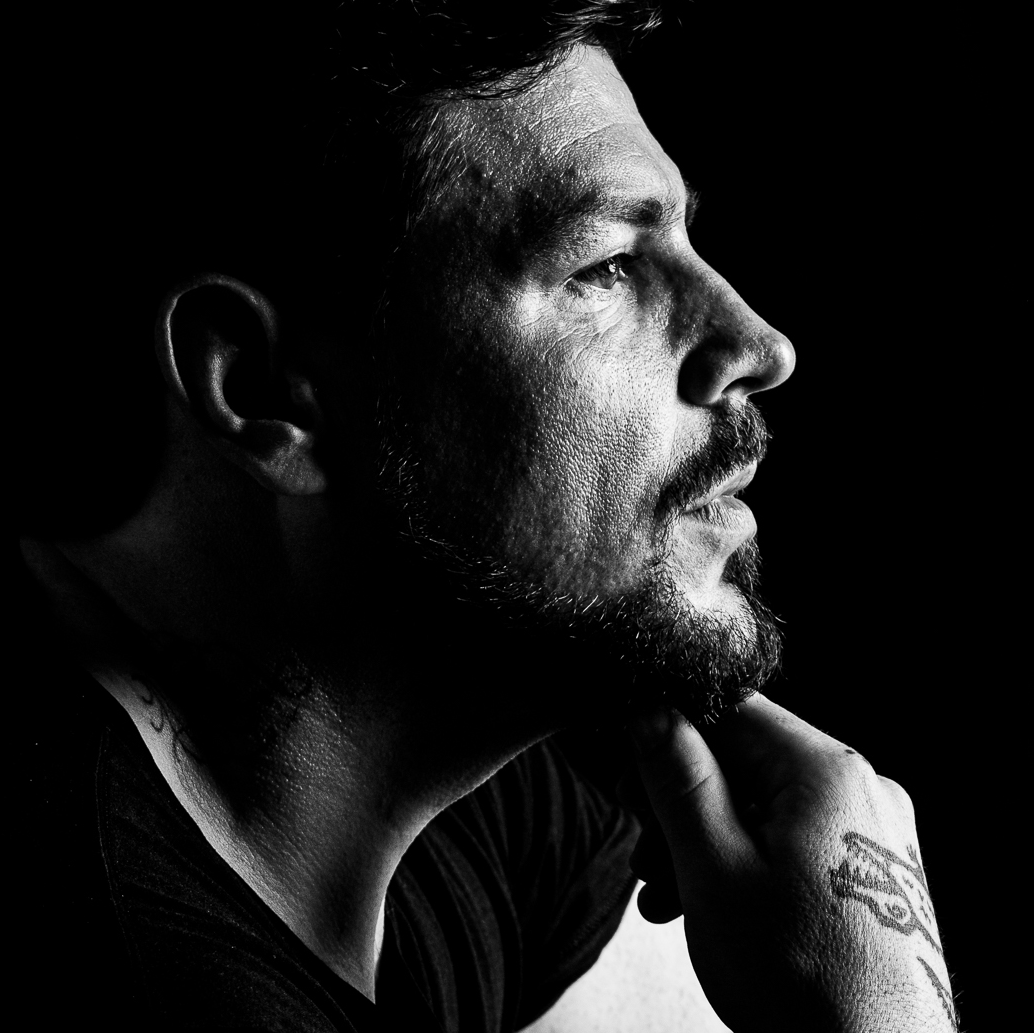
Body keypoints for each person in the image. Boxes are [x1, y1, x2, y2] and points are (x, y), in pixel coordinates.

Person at [15, 2, 958, 1030]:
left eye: (689, 240)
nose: (757, 343)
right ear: (265, 389)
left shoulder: (456, 759)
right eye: (606, 266)